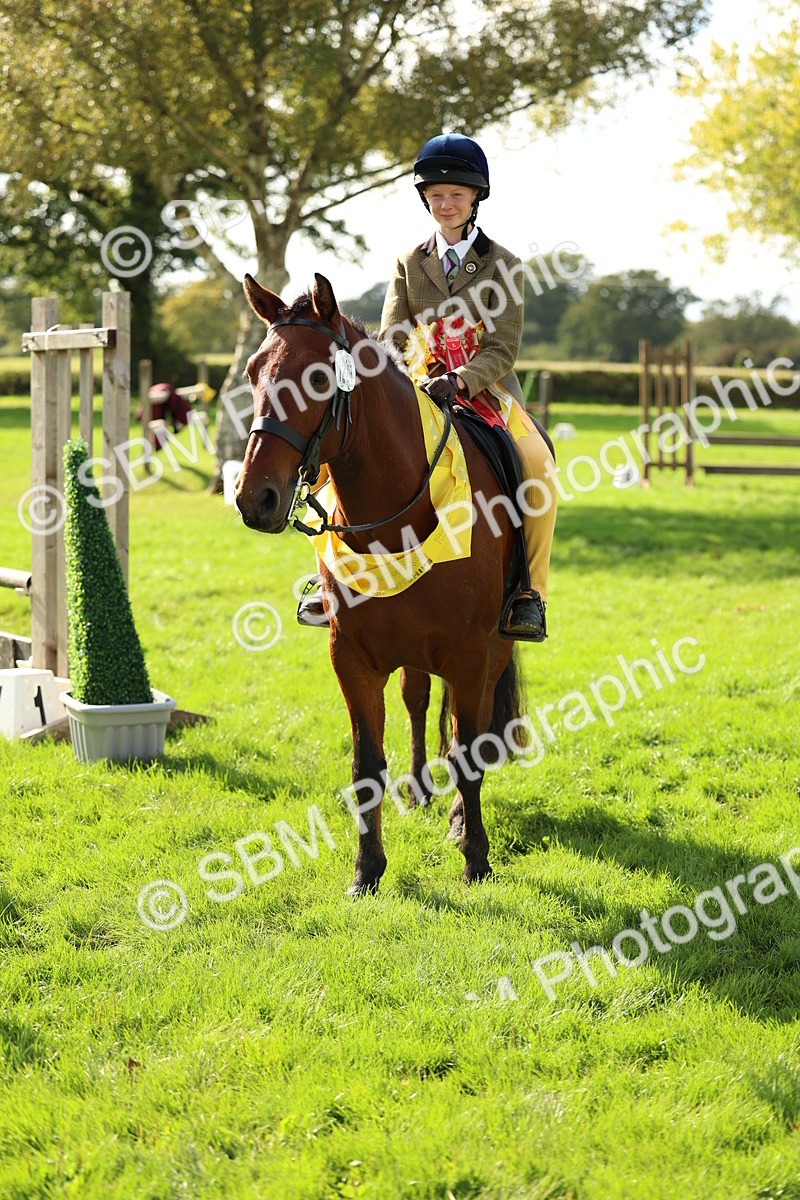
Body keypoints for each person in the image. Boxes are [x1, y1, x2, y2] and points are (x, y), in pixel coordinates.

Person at [377, 133, 557, 641]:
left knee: (537, 465)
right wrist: (410, 377)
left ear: (476, 197)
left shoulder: (504, 263)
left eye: (456, 194)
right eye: (436, 195)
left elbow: (503, 347)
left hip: (485, 391)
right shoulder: (408, 263)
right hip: (418, 390)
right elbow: (392, 336)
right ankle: (336, 581)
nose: (446, 204)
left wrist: (459, 378)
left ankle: (530, 593)